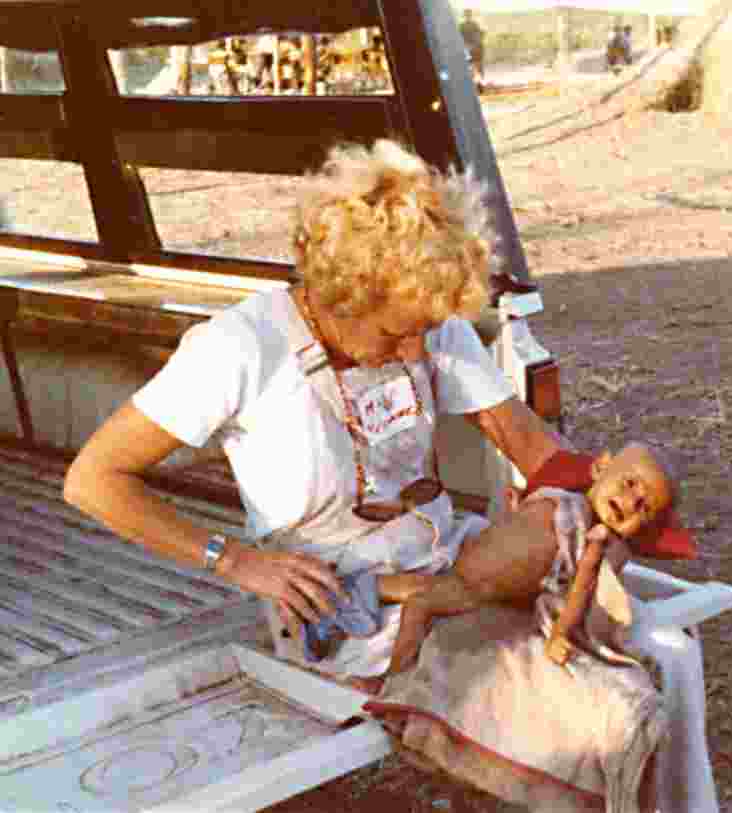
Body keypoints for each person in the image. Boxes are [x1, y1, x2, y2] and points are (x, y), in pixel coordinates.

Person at [62, 138, 565, 692]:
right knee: (537, 676)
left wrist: (606, 486)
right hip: (343, 604)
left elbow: (533, 448)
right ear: (343, 297)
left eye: (425, 332)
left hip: (451, 560)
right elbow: (92, 480)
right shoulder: (241, 346)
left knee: (586, 606)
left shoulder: (424, 316)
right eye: (398, 334)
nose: (418, 354)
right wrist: (232, 560)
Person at [303, 442, 697, 682]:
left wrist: (561, 634)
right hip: (468, 560)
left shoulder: (598, 543)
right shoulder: (563, 497)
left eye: (643, 508)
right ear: (599, 467)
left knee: (421, 598)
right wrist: (515, 506)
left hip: (480, 588)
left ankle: (381, 661)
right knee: (419, 592)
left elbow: (579, 594)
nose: (630, 502)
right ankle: (360, 626)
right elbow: (526, 511)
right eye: (629, 485)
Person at [459, 9, 485, 81]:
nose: (468, 16)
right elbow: (481, 34)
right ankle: (479, 81)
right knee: (474, 65)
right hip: (471, 48)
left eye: (468, 14)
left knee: (473, 65)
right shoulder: (472, 25)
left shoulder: (464, 25)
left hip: (470, 48)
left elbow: (480, 35)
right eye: (467, 14)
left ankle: (478, 81)